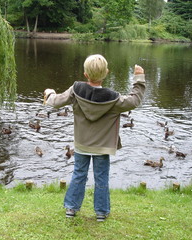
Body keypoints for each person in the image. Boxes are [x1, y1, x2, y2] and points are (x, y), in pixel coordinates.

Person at [44, 54, 145, 222]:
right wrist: (139, 78)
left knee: (78, 174)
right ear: (106, 73)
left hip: (82, 144)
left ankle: (71, 208)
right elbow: (135, 100)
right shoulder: (114, 99)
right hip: (103, 147)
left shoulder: (76, 90)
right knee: (101, 177)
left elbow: (56, 101)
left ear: (85, 74)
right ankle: (101, 213)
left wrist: (49, 94)